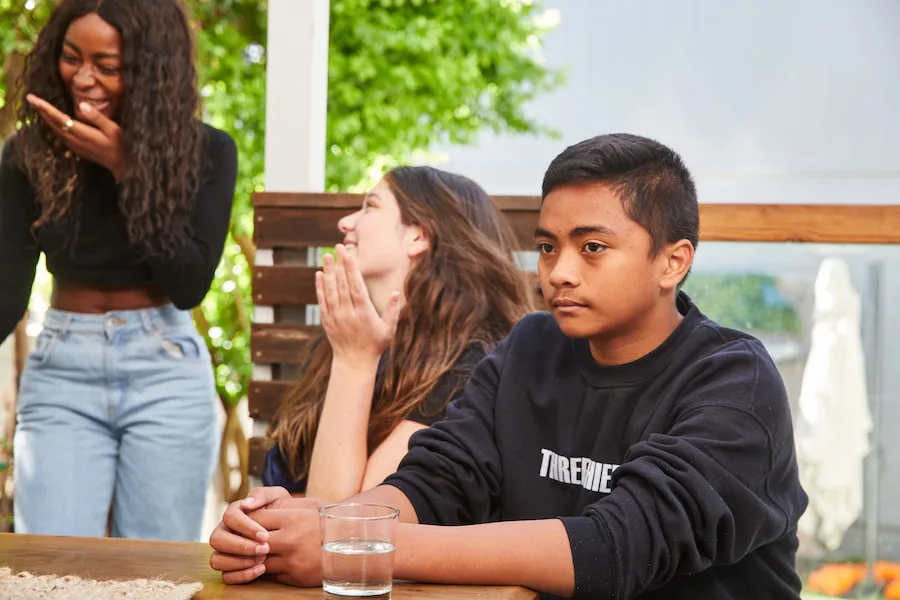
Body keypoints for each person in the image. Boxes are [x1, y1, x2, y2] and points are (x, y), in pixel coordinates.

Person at [209, 134, 808, 599]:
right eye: (548, 247)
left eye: (592, 247)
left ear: (672, 262)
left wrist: (358, 545)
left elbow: (615, 547)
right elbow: (436, 482)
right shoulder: (530, 347)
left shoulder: (734, 381)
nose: (560, 271)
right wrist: (289, 524)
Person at [0, 0, 238, 541]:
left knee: (154, 577)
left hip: (166, 371)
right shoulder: (29, 154)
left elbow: (188, 285)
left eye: (107, 65)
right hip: (63, 369)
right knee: (51, 571)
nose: (83, 78)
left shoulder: (206, 153)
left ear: (152, 67)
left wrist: (127, 170)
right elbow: (6, 294)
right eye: (70, 57)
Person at [264, 165, 533, 502]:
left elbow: (345, 523)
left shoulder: (470, 366)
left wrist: (354, 363)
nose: (345, 223)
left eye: (370, 206)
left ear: (419, 236)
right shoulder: (351, 339)